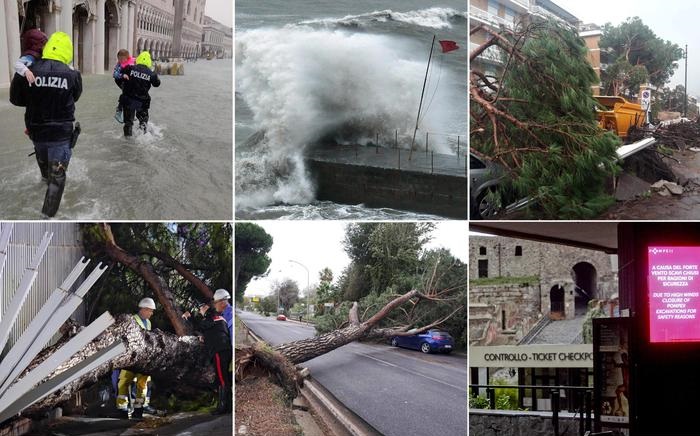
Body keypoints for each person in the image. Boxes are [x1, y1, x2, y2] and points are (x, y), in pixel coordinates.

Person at [9, 31, 82, 218]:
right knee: (56, 179)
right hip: (61, 136)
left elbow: (16, 100)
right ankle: (47, 217)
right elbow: (75, 97)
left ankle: (42, 186)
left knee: (44, 174)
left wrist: (37, 96)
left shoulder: (30, 68)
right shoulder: (72, 74)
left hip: (37, 133)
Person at [183, 299, 232, 414]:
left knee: (222, 379)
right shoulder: (218, 318)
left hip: (219, 351)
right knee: (223, 378)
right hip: (224, 350)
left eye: (200, 309)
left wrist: (188, 317)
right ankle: (227, 406)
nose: (200, 312)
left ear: (205, 307)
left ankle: (222, 408)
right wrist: (204, 337)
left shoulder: (212, 317)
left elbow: (200, 326)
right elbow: (213, 331)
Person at [116, 298, 157, 420]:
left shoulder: (148, 323)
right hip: (130, 359)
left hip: (143, 360)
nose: (151, 313)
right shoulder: (131, 320)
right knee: (123, 383)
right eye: (150, 310)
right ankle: (122, 410)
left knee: (142, 385)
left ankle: (138, 410)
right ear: (143, 309)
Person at [119, 51, 160, 137]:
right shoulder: (151, 74)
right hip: (142, 101)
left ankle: (127, 141)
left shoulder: (130, 68)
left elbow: (120, 73)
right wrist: (153, 73)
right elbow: (157, 84)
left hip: (128, 100)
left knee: (128, 123)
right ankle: (143, 137)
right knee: (143, 122)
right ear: (149, 61)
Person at [112, 49, 135, 123]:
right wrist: (122, 75)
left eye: (122, 59)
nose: (120, 60)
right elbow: (114, 74)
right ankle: (119, 111)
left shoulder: (132, 63)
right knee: (125, 94)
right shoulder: (119, 65)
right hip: (121, 81)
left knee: (132, 96)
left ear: (127, 58)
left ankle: (132, 113)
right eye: (119, 59)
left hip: (129, 82)